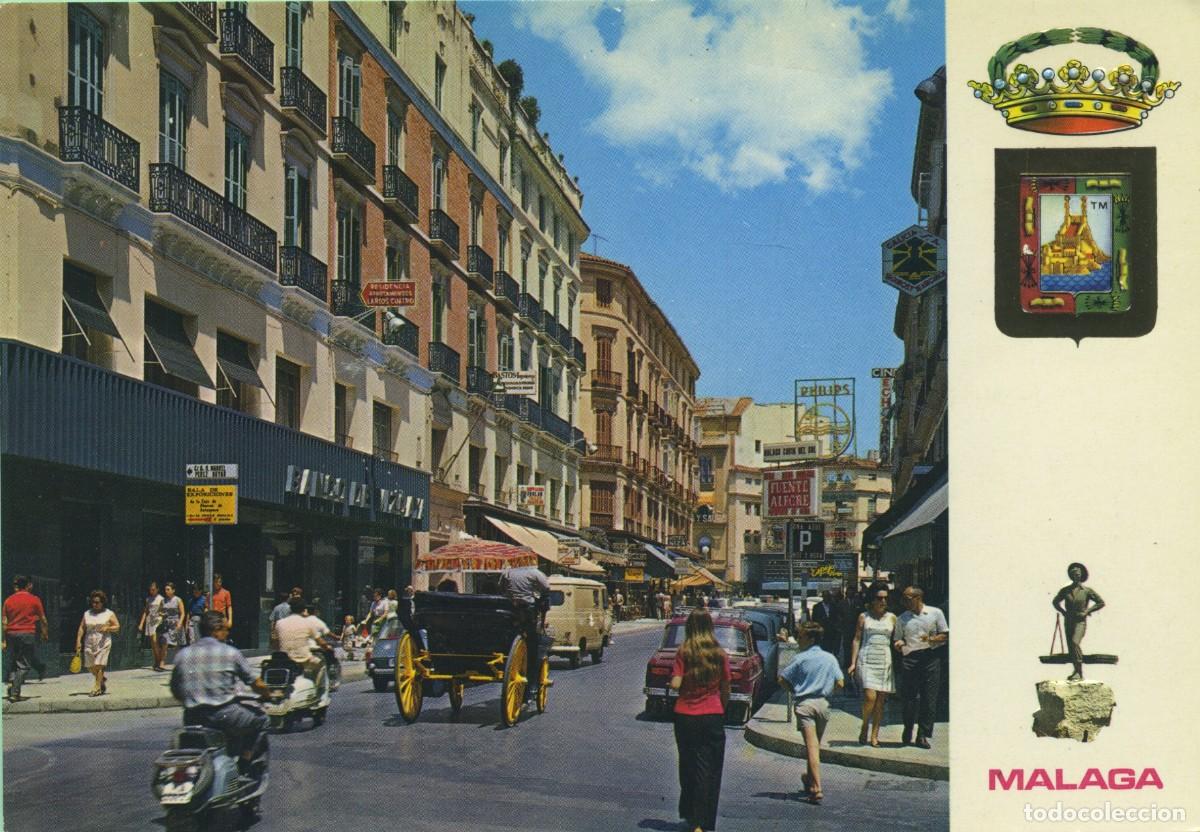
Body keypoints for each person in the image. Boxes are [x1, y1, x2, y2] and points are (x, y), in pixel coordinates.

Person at [171, 611, 272, 777]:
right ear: (216, 630)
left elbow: (176, 690)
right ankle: (244, 764)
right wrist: (267, 694)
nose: (227, 633)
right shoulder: (230, 653)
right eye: (225, 629)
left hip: (192, 717)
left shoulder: (183, 655)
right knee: (262, 719)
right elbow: (256, 683)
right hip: (224, 715)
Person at [669, 609, 731, 832]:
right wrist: (720, 709)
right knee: (710, 769)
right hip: (712, 715)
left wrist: (676, 681)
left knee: (688, 766)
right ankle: (702, 823)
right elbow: (726, 688)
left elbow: (675, 684)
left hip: (685, 716)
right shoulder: (719, 653)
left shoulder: (684, 651)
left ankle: (690, 815)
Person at [778, 622, 845, 804]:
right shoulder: (830, 658)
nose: (798, 640)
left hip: (805, 705)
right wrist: (827, 691)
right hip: (823, 705)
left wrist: (794, 690)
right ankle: (809, 779)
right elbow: (840, 683)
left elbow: (782, 679)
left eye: (801, 637)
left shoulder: (800, 658)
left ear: (811, 639)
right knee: (815, 745)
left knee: (811, 746)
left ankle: (816, 788)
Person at [894, 586, 948, 749]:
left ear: (918, 598)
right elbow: (898, 639)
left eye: (907, 598)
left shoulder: (935, 613)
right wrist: (899, 644)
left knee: (929, 698)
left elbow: (945, 634)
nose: (904, 602)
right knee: (909, 698)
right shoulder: (902, 618)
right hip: (910, 658)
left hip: (930, 657)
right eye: (903, 598)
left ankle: (923, 734)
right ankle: (908, 727)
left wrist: (932, 639)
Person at [847, 584, 899, 747]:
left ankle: (875, 735)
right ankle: (864, 726)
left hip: (884, 659)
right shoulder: (863, 616)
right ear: (872, 599)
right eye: (879, 598)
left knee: (880, 701)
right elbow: (856, 639)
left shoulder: (892, 617)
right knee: (870, 697)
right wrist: (853, 663)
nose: (882, 601)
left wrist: (900, 644)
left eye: (885, 598)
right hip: (867, 658)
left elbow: (897, 638)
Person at [499, 564, 551, 704]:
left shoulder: (507, 572)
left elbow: (501, 588)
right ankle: (532, 682)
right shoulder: (534, 573)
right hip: (527, 611)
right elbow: (546, 588)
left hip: (509, 610)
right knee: (533, 644)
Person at [1052, 562, 1105, 681]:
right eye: (1073, 573)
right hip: (1069, 620)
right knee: (1071, 646)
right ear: (1071, 576)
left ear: (1081, 575)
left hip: (1080, 621)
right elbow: (1055, 602)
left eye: (1078, 573)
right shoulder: (1065, 590)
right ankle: (1076, 672)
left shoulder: (1086, 591)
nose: (1076, 575)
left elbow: (1101, 602)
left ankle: (1079, 672)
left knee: (1075, 642)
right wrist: (1063, 612)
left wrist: (1087, 611)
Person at [273, 597, 334, 698]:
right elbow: (321, 642)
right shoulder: (308, 622)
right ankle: (320, 695)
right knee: (321, 665)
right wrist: (328, 647)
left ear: (290, 609)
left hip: (285, 661)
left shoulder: (279, 623)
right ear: (304, 609)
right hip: (304, 660)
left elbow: (275, 644)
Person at [3, 575, 49, 701]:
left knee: (14, 661)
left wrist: (4, 640)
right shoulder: (34, 599)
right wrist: (45, 633)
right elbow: (43, 619)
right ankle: (15, 692)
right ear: (28, 585)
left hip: (11, 634)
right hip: (27, 633)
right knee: (24, 665)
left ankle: (12, 683)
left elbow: (4, 621)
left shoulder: (8, 600)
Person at [75, 590, 119, 697]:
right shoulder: (87, 613)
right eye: (93, 602)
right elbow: (82, 627)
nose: (95, 604)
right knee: (90, 666)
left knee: (99, 665)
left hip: (103, 641)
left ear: (102, 602)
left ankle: (97, 687)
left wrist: (108, 628)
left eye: (97, 602)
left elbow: (117, 626)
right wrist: (78, 641)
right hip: (89, 641)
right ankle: (101, 680)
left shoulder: (109, 613)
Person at [138, 581, 166, 671]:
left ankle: (159, 661)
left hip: (157, 621)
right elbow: (146, 611)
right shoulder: (148, 599)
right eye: (150, 590)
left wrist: (161, 618)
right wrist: (141, 623)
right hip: (150, 621)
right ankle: (156, 661)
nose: (152, 591)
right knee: (153, 644)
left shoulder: (161, 599)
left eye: (153, 589)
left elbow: (164, 611)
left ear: (157, 589)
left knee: (155, 641)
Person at [159, 582, 186, 667]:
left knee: (178, 644)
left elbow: (182, 613)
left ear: (173, 590)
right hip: (167, 623)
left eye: (168, 589)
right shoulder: (163, 601)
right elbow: (160, 611)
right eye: (165, 589)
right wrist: (162, 614)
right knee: (165, 643)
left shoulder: (178, 600)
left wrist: (180, 623)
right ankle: (162, 662)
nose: (166, 591)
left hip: (176, 623)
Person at [811, 591, 842, 657]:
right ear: (823, 597)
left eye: (828, 597)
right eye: (825, 596)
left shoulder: (833, 606)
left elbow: (836, 617)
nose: (827, 598)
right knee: (821, 648)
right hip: (821, 631)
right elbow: (814, 619)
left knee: (829, 648)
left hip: (831, 631)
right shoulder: (817, 607)